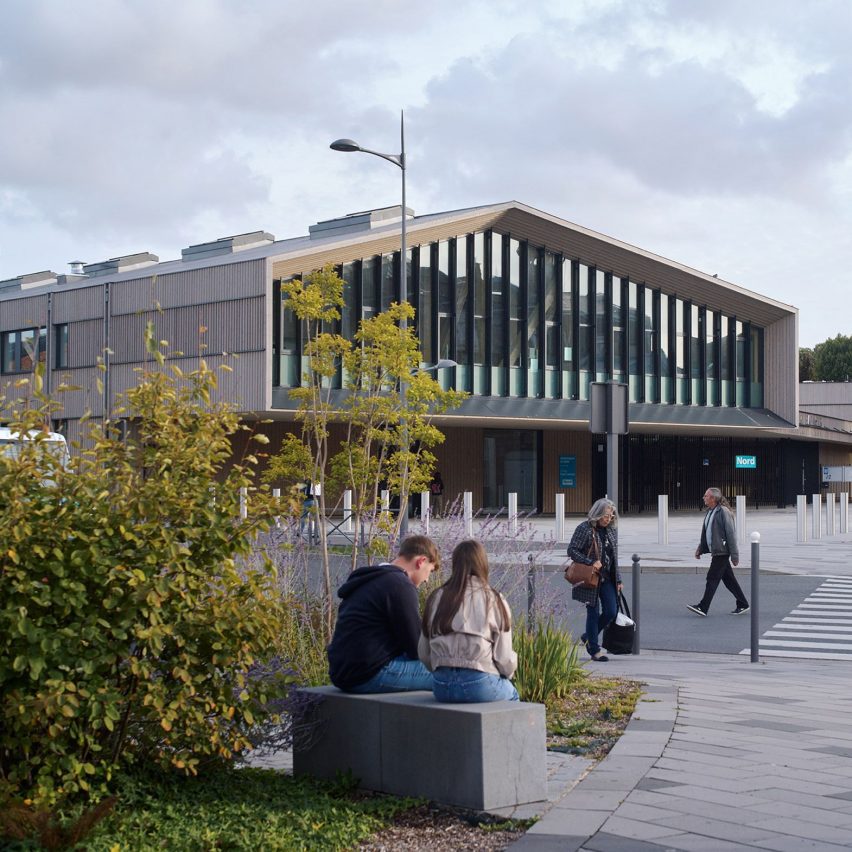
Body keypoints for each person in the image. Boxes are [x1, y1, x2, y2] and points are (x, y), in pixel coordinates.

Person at [327, 534, 440, 693]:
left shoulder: (373, 578)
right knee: (452, 676)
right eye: (430, 571)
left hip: (343, 671)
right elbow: (417, 648)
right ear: (421, 561)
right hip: (368, 674)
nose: (427, 580)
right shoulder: (400, 585)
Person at [418, 539, 519, 702]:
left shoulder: (437, 597)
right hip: (479, 681)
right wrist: (507, 674)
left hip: (441, 684)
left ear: (455, 565)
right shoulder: (493, 599)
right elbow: (504, 658)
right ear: (483, 564)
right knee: (512, 696)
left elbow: (424, 653)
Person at [567, 498, 621, 662]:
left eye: (611, 516)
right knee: (593, 612)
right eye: (605, 516)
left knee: (611, 611)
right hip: (589, 576)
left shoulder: (611, 530)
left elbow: (614, 557)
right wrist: (591, 562)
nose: (608, 519)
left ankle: (588, 637)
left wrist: (618, 579)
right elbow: (572, 550)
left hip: (606, 577)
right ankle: (594, 650)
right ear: (597, 514)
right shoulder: (584, 528)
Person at [688, 487, 749, 617]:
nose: (703, 498)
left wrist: (735, 555)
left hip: (722, 551)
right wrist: (700, 548)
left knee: (712, 578)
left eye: (706, 496)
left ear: (713, 498)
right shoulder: (710, 511)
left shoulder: (724, 512)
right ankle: (743, 603)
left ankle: (703, 607)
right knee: (729, 580)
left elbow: (731, 534)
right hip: (716, 550)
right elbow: (707, 533)